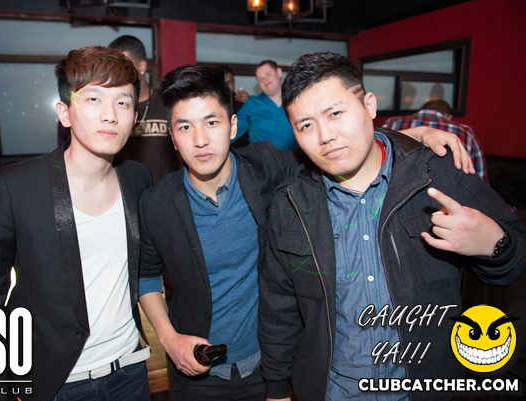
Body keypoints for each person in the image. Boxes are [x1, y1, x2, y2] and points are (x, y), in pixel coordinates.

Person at [137, 65, 474, 401]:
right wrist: (168, 339)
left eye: (212, 122)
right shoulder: (156, 204)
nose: (200, 139)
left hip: (267, 366)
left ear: (233, 127)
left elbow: (334, 145)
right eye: (185, 126)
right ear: (172, 137)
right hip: (194, 371)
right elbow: (147, 276)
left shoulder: (266, 165)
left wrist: (414, 134)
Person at [259, 52, 526, 401]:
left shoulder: (436, 173)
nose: (325, 136)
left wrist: (494, 243)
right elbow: (279, 306)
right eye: (306, 125)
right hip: (334, 391)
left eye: (335, 113)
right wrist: (277, 388)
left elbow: (515, 259)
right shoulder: (291, 203)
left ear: (369, 105)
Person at [0, 46, 153, 401]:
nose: (110, 115)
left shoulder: (138, 178)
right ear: (65, 113)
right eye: (94, 99)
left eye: (123, 102)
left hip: (130, 370)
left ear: (134, 117)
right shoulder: (13, 187)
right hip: (57, 382)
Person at [109, 35, 180, 184]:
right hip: (125, 191)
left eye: (124, 66)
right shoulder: (110, 109)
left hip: (164, 191)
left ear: (141, 67)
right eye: (113, 67)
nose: (118, 73)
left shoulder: (167, 103)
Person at [383, 99, 488, 183]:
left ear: (421, 110)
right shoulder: (465, 132)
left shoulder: (391, 123)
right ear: (449, 117)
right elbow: (480, 176)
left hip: (394, 191)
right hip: (448, 194)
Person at [231, 60, 298, 151]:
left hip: (294, 158)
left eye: (268, 74)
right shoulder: (252, 103)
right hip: (260, 158)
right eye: (260, 78)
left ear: (279, 72)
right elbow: (231, 130)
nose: (265, 80)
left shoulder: (297, 100)